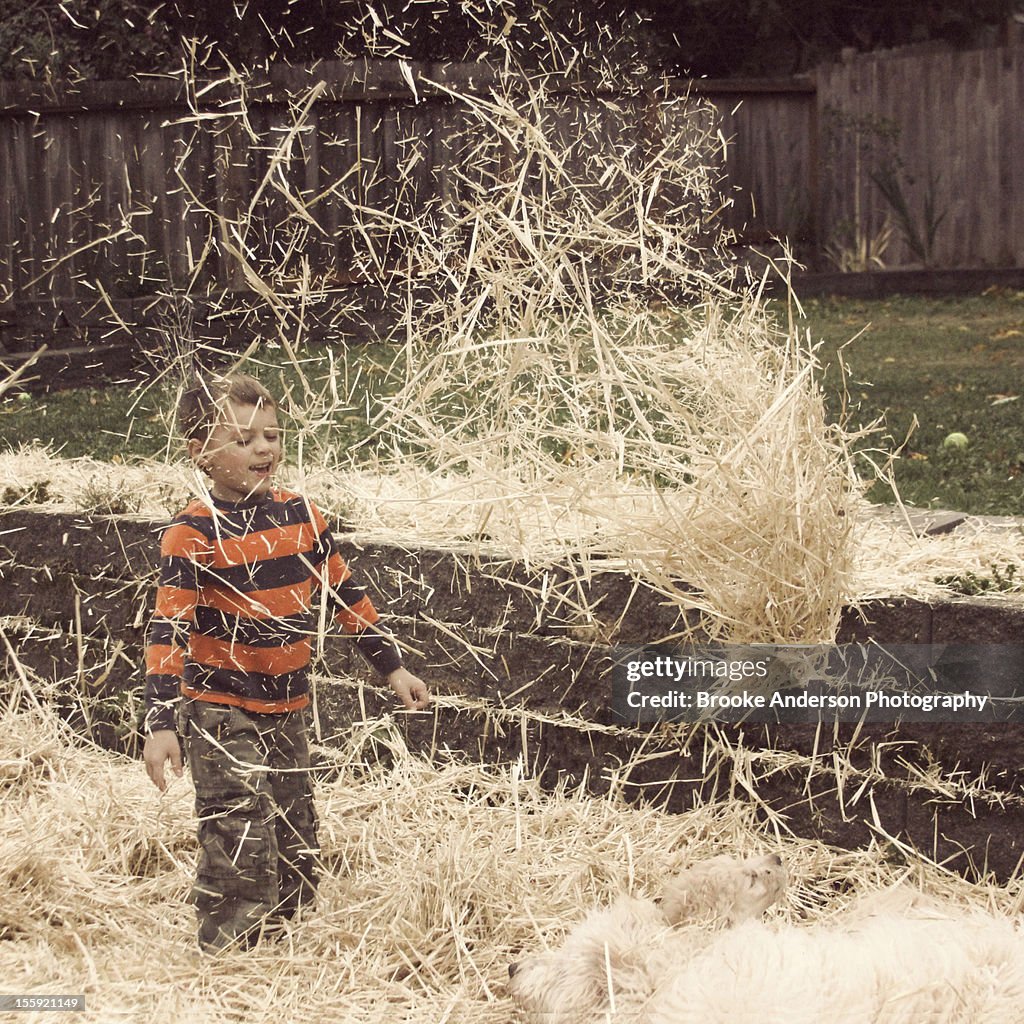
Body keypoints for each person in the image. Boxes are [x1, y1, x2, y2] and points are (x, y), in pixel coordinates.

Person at [142, 371, 429, 951]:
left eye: (272, 434)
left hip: (287, 703)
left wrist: (391, 666)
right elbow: (168, 627)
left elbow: (346, 594)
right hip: (220, 708)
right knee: (238, 822)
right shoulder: (192, 534)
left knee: (296, 819)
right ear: (200, 451)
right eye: (245, 438)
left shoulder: (302, 515)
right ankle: (232, 943)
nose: (265, 448)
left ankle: (293, 928)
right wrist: (161, 721)